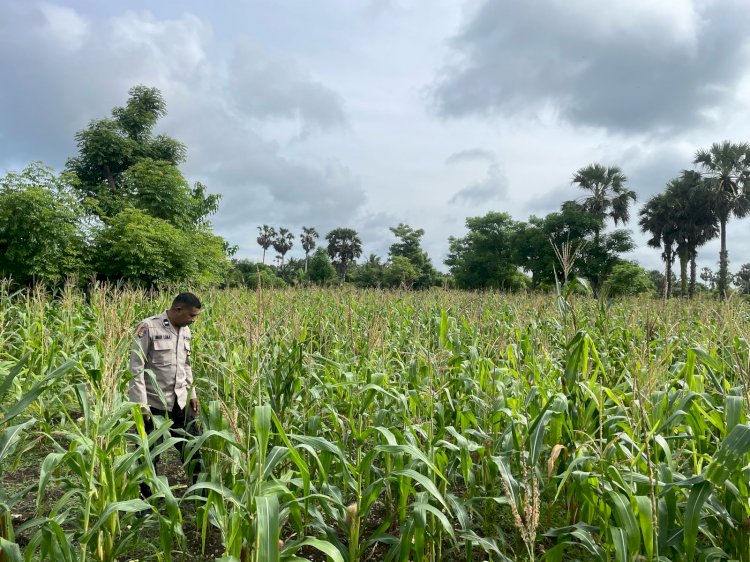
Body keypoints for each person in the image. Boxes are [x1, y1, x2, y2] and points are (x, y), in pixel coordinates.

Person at [129, 292, 203, 497]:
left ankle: (202, 495)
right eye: (191, 315)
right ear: (178, 310)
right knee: (148, 455)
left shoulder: (185, 331)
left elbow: (186, 365)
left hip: (180, 402)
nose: (193, 320)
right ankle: (144, 499)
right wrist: (140, 405)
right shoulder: (148, 327)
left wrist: (192, 394)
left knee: (193, 449)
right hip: (153, 405)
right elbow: (136, 369)